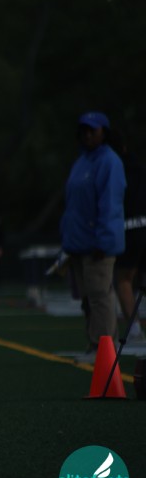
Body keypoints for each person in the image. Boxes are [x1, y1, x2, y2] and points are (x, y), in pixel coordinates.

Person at [60, 111, 125, 357]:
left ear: (103, 133)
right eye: (84, 130)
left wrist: (104, 241)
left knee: (100, 296)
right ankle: (94, 344)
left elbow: (110, 205)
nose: (87, 135)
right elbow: (72, 205)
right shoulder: (82, 161)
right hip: (79, 244)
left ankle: (104, 349)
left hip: (97, 245)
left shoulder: (109, 161)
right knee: (88, 299)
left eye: (93, 130)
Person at [110, 130, 146, 342]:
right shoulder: (140, 168)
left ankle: (134, 330)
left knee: (124, 279)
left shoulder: (115, 168)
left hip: (128, 227)